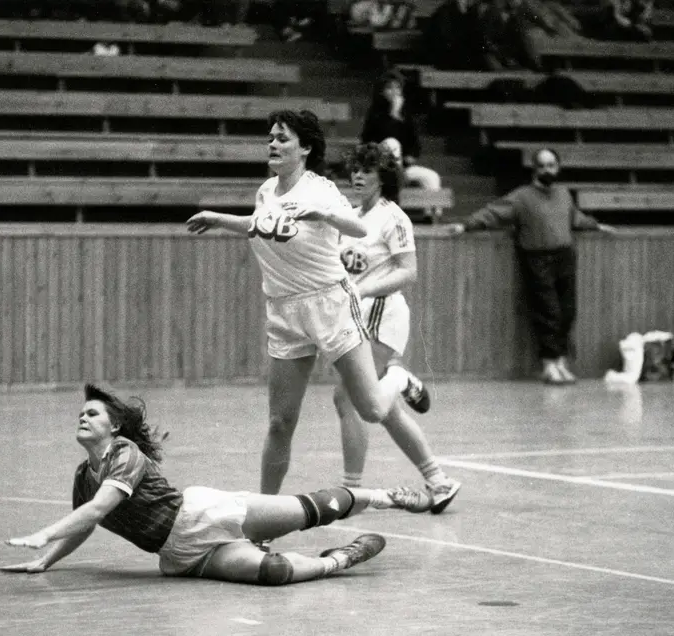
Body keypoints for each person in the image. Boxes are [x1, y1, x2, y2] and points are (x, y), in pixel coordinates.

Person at [186, 109, 434, 500]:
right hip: (284, 311)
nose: (273, 144)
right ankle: (265, 516)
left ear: (304, 148)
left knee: (370, 408)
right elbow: (259, 224)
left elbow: (359, 227)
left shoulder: (321, 190)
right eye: (270, 138)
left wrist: (323, 213)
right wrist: (219, 219)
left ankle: (399, 379)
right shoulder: (267, 191)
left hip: (330, 305)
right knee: (279, 423)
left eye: (282, 138)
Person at [1, 384, 437, 584]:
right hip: (179, 555)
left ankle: (384, 496)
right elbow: (85, 523)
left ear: (114, 426)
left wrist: (44, 533)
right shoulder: (84, 477)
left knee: (314, 509)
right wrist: (46, 560)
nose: (82, 417)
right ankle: (341, 559)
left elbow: (97, 510)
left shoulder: (124, 453)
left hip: (203, 516)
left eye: (92, 413)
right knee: (273, 572)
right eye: (80, 414)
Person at [335, 143, 461, 512]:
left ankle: (352, 492)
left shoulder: (394, 218)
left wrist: (363, 290)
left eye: (367, 170)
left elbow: (408, 272)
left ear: (384, 176)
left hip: (382, 315)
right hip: (354, 317)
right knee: (385, 410)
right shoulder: (350, 216)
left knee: (348, 398)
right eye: (355, 168)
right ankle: (439, 481)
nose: (358, 175)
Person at [443, 148, 615, 385]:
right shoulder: (522, 197)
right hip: (537, 259)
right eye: (542, 165)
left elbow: (575, 218)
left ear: (558, 167)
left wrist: (595, 225)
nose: (547, 170)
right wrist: (466, 225)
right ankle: (549, 364)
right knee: (548, 312)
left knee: (567, 312)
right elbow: (493, 213)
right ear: (534, 169)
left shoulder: (564, 194)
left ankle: (561, 362)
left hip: (565, 257)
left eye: (551, 165)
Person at [360, 70, 443, 199]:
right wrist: (393, 115)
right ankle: (393, 192)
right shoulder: (375, 113)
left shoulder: (406, 115)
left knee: (432, 177)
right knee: (392, 144)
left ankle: (431, 212)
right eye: (389, 88)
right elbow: (371, 142)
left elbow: (415, 144)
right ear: (382, 91)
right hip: (379, 168)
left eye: (397, 88)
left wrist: (412, 155)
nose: (394, 92)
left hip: (402, 169)